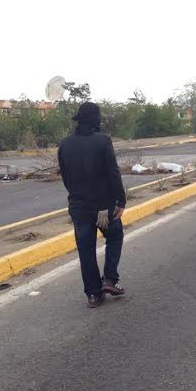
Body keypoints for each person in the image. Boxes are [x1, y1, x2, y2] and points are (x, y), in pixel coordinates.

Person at [58, 102, 127, 308]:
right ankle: (109, 280)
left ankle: (94, 295)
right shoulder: (103, 141)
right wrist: (120, 200)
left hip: (79, 208)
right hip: (103, 209)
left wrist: (77, 197)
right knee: (115, 236)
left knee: (85, 250)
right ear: (95, 120)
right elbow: (113, 173)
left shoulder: (65, 144)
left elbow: (65, 177)